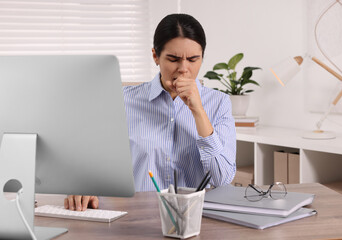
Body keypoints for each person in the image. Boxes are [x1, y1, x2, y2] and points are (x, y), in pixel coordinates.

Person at [64, 13, 236, 211]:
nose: (183, 69)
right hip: (134, 217)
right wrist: (82, 185)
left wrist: (198, 111)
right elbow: (89, 163)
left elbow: (222, 179)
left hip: (194, 220)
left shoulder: (219, 103)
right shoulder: (122, 100)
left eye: (193, 59)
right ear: (155, 56)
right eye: (173, 59)